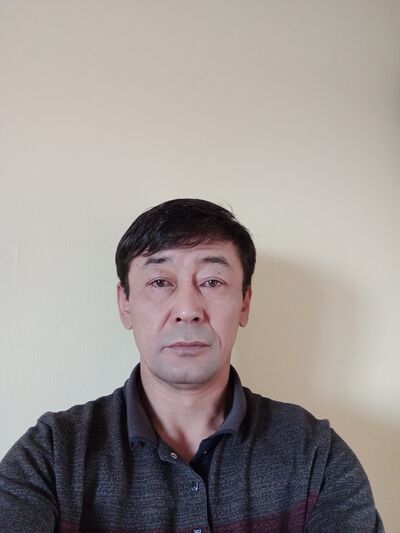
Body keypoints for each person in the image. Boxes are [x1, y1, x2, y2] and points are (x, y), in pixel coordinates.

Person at [0, 198, 384, 532]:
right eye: (160, 282)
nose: (187, 310)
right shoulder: (53, 453)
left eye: (212, 281)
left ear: (245, 303)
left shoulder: (314, 454)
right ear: (125, 304)